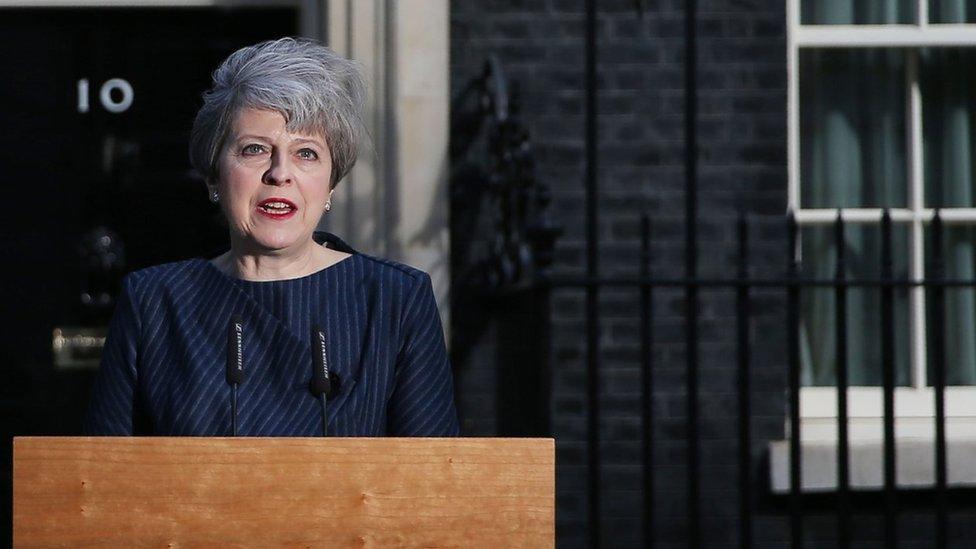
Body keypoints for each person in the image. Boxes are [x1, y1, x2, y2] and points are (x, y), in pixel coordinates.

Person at [84, 37, 459, 436]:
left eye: (306, 153)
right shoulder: (154, 303)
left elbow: (433, 479)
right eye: (255, 149)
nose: (280, 173)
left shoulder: (396, 300)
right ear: (213, 176)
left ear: (331, 184)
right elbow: (102, 476)